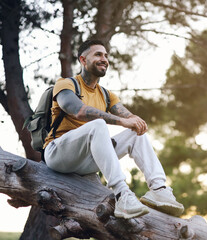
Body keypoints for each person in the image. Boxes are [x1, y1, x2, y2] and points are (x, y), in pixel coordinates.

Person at [43, 39, 184, 219]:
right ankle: (122, 194)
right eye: (98, 54)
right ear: (83, 60)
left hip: (85, 162)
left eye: (106, 55)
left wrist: (135, 121)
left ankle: (158, 189)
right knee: (98, 125)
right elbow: (78, 111)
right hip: (58, 154)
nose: (104, 59)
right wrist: (121, 121)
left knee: (135, 135)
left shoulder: (107, 95)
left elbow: (130, 119)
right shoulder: (66, 84)